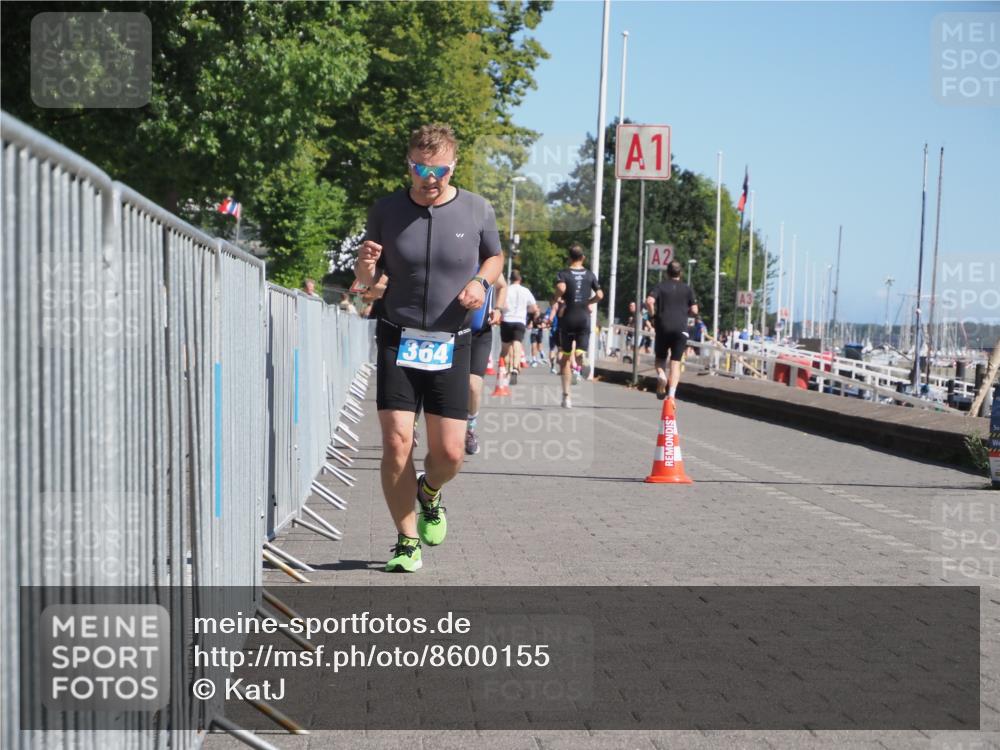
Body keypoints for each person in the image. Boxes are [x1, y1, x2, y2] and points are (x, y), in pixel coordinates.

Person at [355, 123, 502, 573]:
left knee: (451, 454)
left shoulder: (477, 209)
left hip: (451, 343)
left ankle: (430, 492)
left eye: (439, 170)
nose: (430, 178)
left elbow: (494, 257)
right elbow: (370, 285)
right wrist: (364, 269)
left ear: (453, 167)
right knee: (397, 442)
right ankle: (406, 541)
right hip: (397, 337)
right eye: (421, 169)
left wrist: (480, 283)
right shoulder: (386, 210)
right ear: (409, 166)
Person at [554, 243, 602, 408]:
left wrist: (556, 298)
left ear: (569, 258)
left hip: (568, 317)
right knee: (580, 350)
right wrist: (589, 301)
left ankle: (566, 397)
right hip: (583, 317)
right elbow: (600, 295)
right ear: (583, 258)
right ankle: (581, 362)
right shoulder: (590, 274)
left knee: (566, 357)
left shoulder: (563, 273)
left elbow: (561, 288)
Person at [645, 259, 698, 400]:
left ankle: (661, 375)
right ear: (680, 273)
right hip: (681, 328)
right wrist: (686, 313)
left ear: (667, 273)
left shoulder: (660, 286)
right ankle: (671, 395)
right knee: (675, 362)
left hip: (663, 326)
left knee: (660, 359)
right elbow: (695, 310)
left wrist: (653, 315)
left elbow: (649, 301)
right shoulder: (687, 289)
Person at [467, 272, 506, 455]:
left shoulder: (488, 263)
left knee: (473, 386)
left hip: (480, 333)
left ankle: (470, 429)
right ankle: (413, 424)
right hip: (450, 332)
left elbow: (502, 285)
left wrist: (498, 309)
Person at [499, 270, 537, 385]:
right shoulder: (525, 291)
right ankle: (515, 368)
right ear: (520, 279)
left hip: (507, 320)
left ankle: (505, 371)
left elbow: (503, 305)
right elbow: (534, 308)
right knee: (517, 345)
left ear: (510, 279)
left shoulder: (506, 290)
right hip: (520, 320)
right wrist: (526, 310)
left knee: (505, 348)